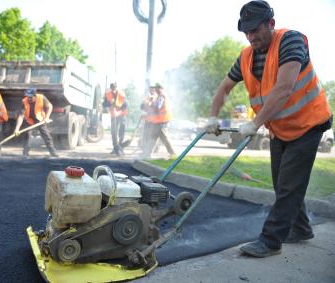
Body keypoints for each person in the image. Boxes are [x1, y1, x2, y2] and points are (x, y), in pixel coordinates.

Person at [205, 0, 332, 258]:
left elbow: (284, 89)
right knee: (281, 183)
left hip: (308, 124)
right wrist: (212, 118)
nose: (251, 36)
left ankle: (270, 240)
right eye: (246, 32)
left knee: (288, 186)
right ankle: (301, 228)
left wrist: (254, 123)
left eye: (255, 29)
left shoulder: (290, 41)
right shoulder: (246, 56)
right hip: (280, 127)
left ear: (270, 24)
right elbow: (224, 88)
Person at [13, 88, 58, 158]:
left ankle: (53, 153)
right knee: (26, 136)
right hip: (29, 120)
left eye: (30, 97)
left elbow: (50, 106)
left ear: (35, 95)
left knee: (46, 136)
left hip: (40, 119)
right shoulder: (24, 101)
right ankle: (25, 154)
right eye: (28, 97)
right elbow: (21, 116)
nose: (29, 99)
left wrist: (46, 117)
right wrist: (17, 129)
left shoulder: (41, 98)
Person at [142, 83, 175, 158]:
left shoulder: (161, 96)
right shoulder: (160, 96)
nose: (156, 90)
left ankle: (172, 152)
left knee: (164, 137)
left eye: (157, 88)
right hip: (158, 121)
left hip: (162, 121)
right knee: (153, 136)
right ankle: (148, 153)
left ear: (160, 89)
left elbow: (157, 107)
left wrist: (150, 104)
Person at [103, 82, 128, 156]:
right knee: (113, 131)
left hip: (121, 113)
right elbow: (104, 104)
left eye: (114, 88)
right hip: (113, 115)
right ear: (110, 89)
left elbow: (126, 105)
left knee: (122, 129)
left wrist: (119, 112)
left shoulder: (121, 94)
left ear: (116, 88)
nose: (113, 90)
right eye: (112, 89)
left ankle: (120, 145)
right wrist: (110, 103)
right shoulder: (108, 94)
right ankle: (115, 147)